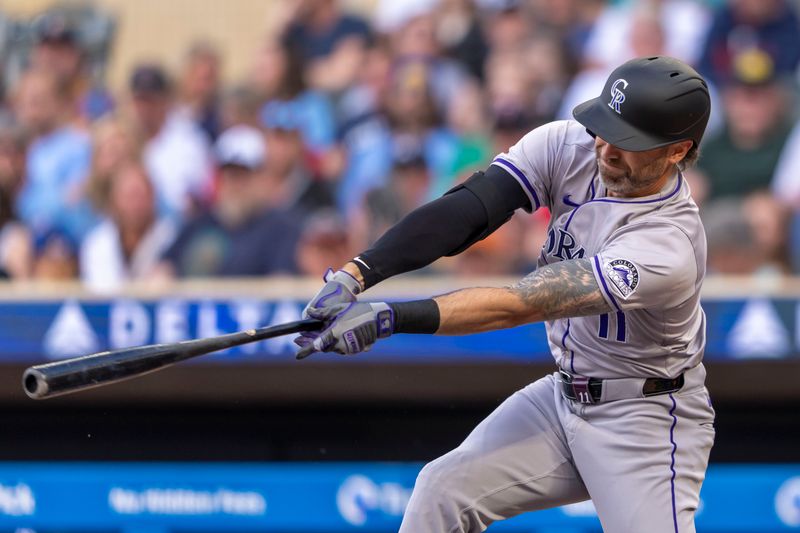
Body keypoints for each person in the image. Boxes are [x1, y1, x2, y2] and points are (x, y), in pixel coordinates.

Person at [296, 56, 716, 532]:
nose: (607, 148)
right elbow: (472, 208)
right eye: (605, 127)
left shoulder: (668, 244)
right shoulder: (567, 144)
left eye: (630, 142)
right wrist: (357, 273)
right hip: (564, 398)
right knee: (441, 490)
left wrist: (391, 317)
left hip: (644, 420)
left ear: (678, 150)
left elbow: (521, 303)